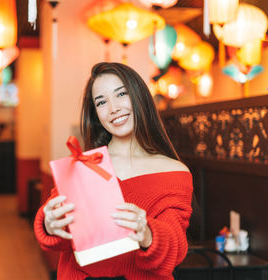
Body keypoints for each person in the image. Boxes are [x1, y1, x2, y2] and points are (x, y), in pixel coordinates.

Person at [34, 62, 193, 279]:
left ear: (140, 97)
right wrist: (49, 224)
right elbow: (62, 235)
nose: (113, 108)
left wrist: (147, 233)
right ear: (96, 114)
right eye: (101, 102)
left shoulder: (174, 173)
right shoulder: (83, 165)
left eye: (121, 95)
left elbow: (175, 244)